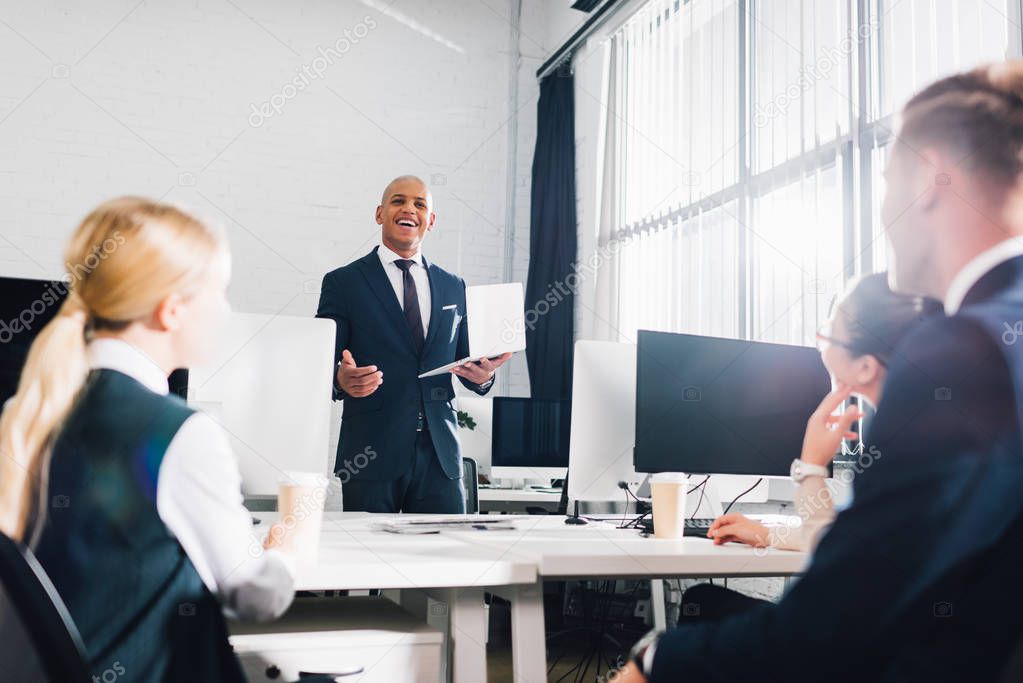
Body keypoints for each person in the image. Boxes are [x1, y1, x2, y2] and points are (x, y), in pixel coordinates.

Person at [616, 61, 1023, 682]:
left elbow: (839, 624)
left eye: (887, 180)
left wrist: (656, 659)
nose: (883, 208)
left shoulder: (960, 349)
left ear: (934, 179)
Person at [0, 198, 295, 683]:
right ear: (172, 310)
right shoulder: (178, 432)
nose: (226, 309)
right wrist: (289, 550)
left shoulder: (26, 411)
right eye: (218, 292)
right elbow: (257, 597)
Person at [316, 175, 511, 513]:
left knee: (446, 559)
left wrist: (484, 377)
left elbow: (466, 363)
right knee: (371, 562)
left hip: (441, 457)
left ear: (431, 221)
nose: (409, 209)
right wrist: (339, 379)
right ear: (379, 213)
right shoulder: (343, 283)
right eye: (398, 201)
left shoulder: (454, 286)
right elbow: (319, 362)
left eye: (420, 204)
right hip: (371, 454)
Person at [707, 274, 941, 553]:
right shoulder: (926, 427)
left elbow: (841, 555)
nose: (820, 338)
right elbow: (852, 538)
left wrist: (812, 466)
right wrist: (766, 534)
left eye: (829, 331)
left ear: (865, 367)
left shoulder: (902, 447)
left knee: (704, 597)